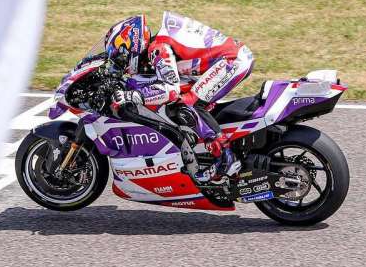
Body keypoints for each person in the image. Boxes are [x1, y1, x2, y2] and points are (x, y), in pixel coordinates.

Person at [102, 13, 254, 181]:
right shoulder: (157, 46)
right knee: (183, 101)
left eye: (120, 56)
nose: (120, 63)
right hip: (229, 58)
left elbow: (170, 90)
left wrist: (132, 95)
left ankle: (226, 157)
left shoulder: (158, 49)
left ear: (133, 46)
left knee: (189, 103)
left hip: (232, 61)